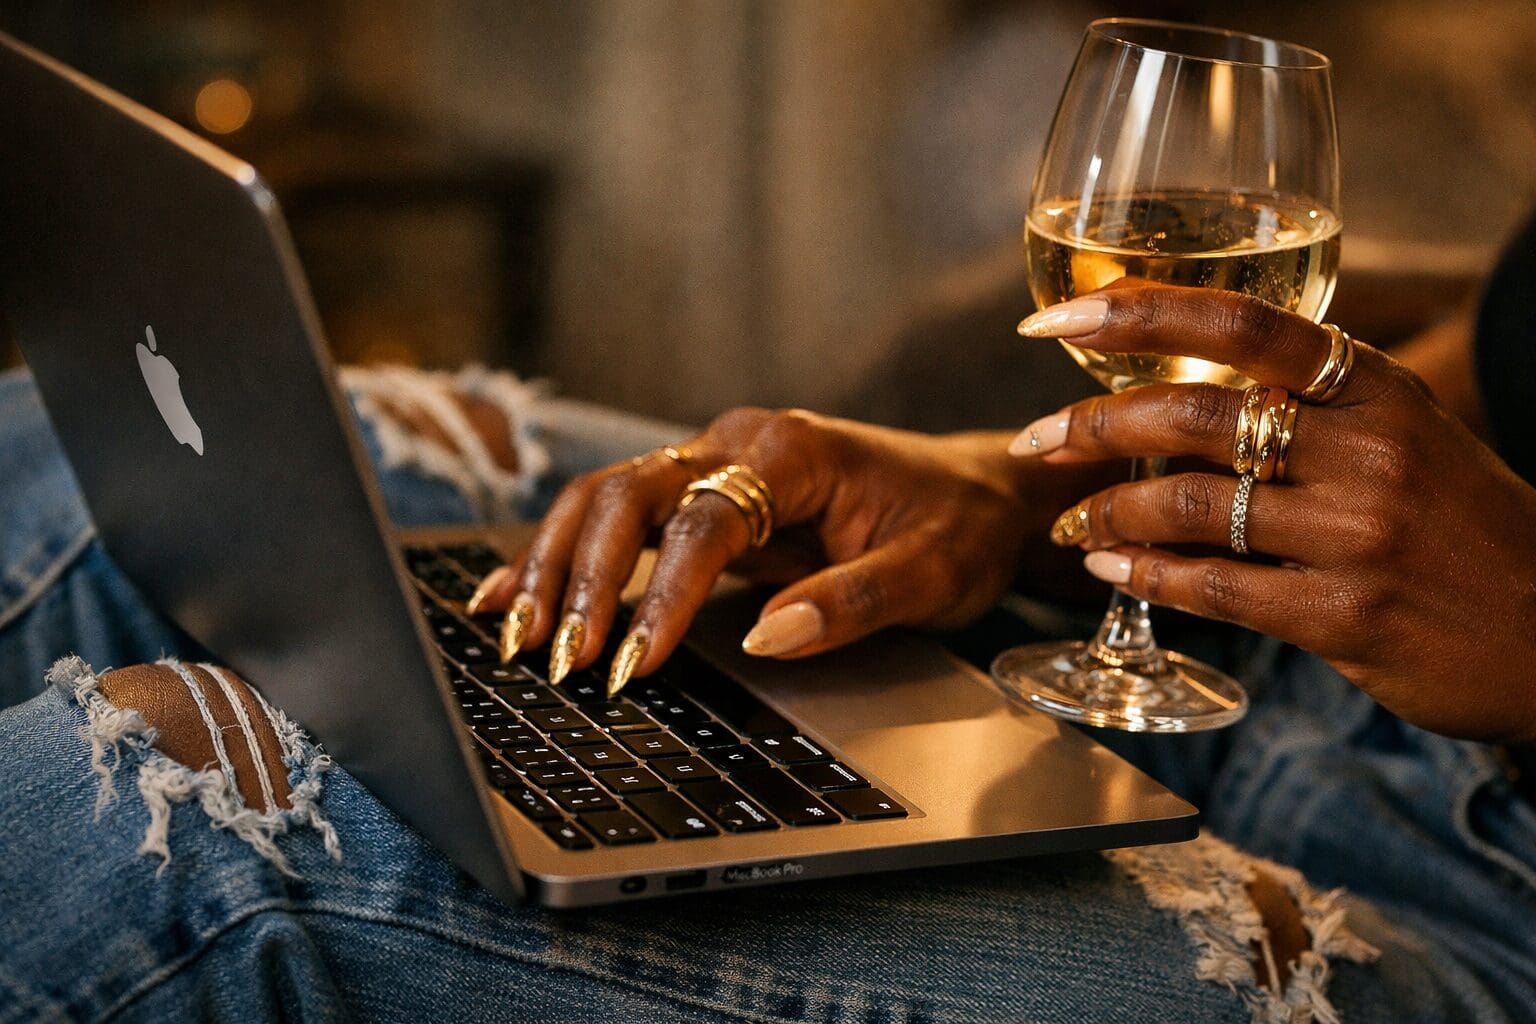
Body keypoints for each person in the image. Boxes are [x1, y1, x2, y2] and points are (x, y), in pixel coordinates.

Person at [1, 209, 1534, 1021]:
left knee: (198, 805)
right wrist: (991, 485)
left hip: (1476, 917)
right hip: (1235, 654)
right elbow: (1479, 367)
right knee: (88, 463)